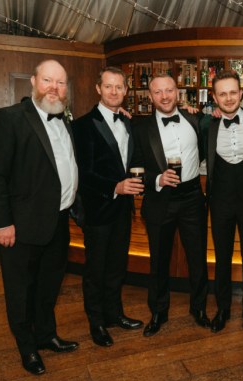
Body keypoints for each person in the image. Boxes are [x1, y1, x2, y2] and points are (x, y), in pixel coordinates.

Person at [0, 60, 79, 375]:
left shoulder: (66, 121)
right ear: (33, 82)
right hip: (20, 226)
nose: (54, 87)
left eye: (60, 83)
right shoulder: (9, 118)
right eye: (48, 80)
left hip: (59, 222)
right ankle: (27, 347)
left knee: (49, 286)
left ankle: (46, 334)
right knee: (20, 290)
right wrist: (2, 222)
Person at [131, 73, 210, 337]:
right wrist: (156, 178)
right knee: (159, 261)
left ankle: (198, 308)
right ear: (150, 96)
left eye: (169, 90)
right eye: (158, 92)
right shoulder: (140, 127)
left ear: (178, 92)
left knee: (197, 258)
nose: (164, 96)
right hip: (159, 199)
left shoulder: (195, 119)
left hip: (191, 197)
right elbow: (135, 166)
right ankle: (158, 311)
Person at [72, 66, 144, 348]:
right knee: (96, 270)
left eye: (119, 87)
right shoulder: (81, 125)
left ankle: (115, 314)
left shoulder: (128, 122)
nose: (114, 92)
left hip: (123, 211)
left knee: (116, 266)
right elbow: (83, 172)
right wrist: (115, 187)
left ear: (126, 91)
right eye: (108, 86)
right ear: (98, 89)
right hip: (98, 209)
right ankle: (96, 321)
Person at [206, 70, 243, 333]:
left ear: (241, 93)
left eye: (232, 92)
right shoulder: (206, 123)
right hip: (219, 203)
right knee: (222, 258)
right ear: (214, 97)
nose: (228, 98)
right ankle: (223, 309)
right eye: (222, 93)